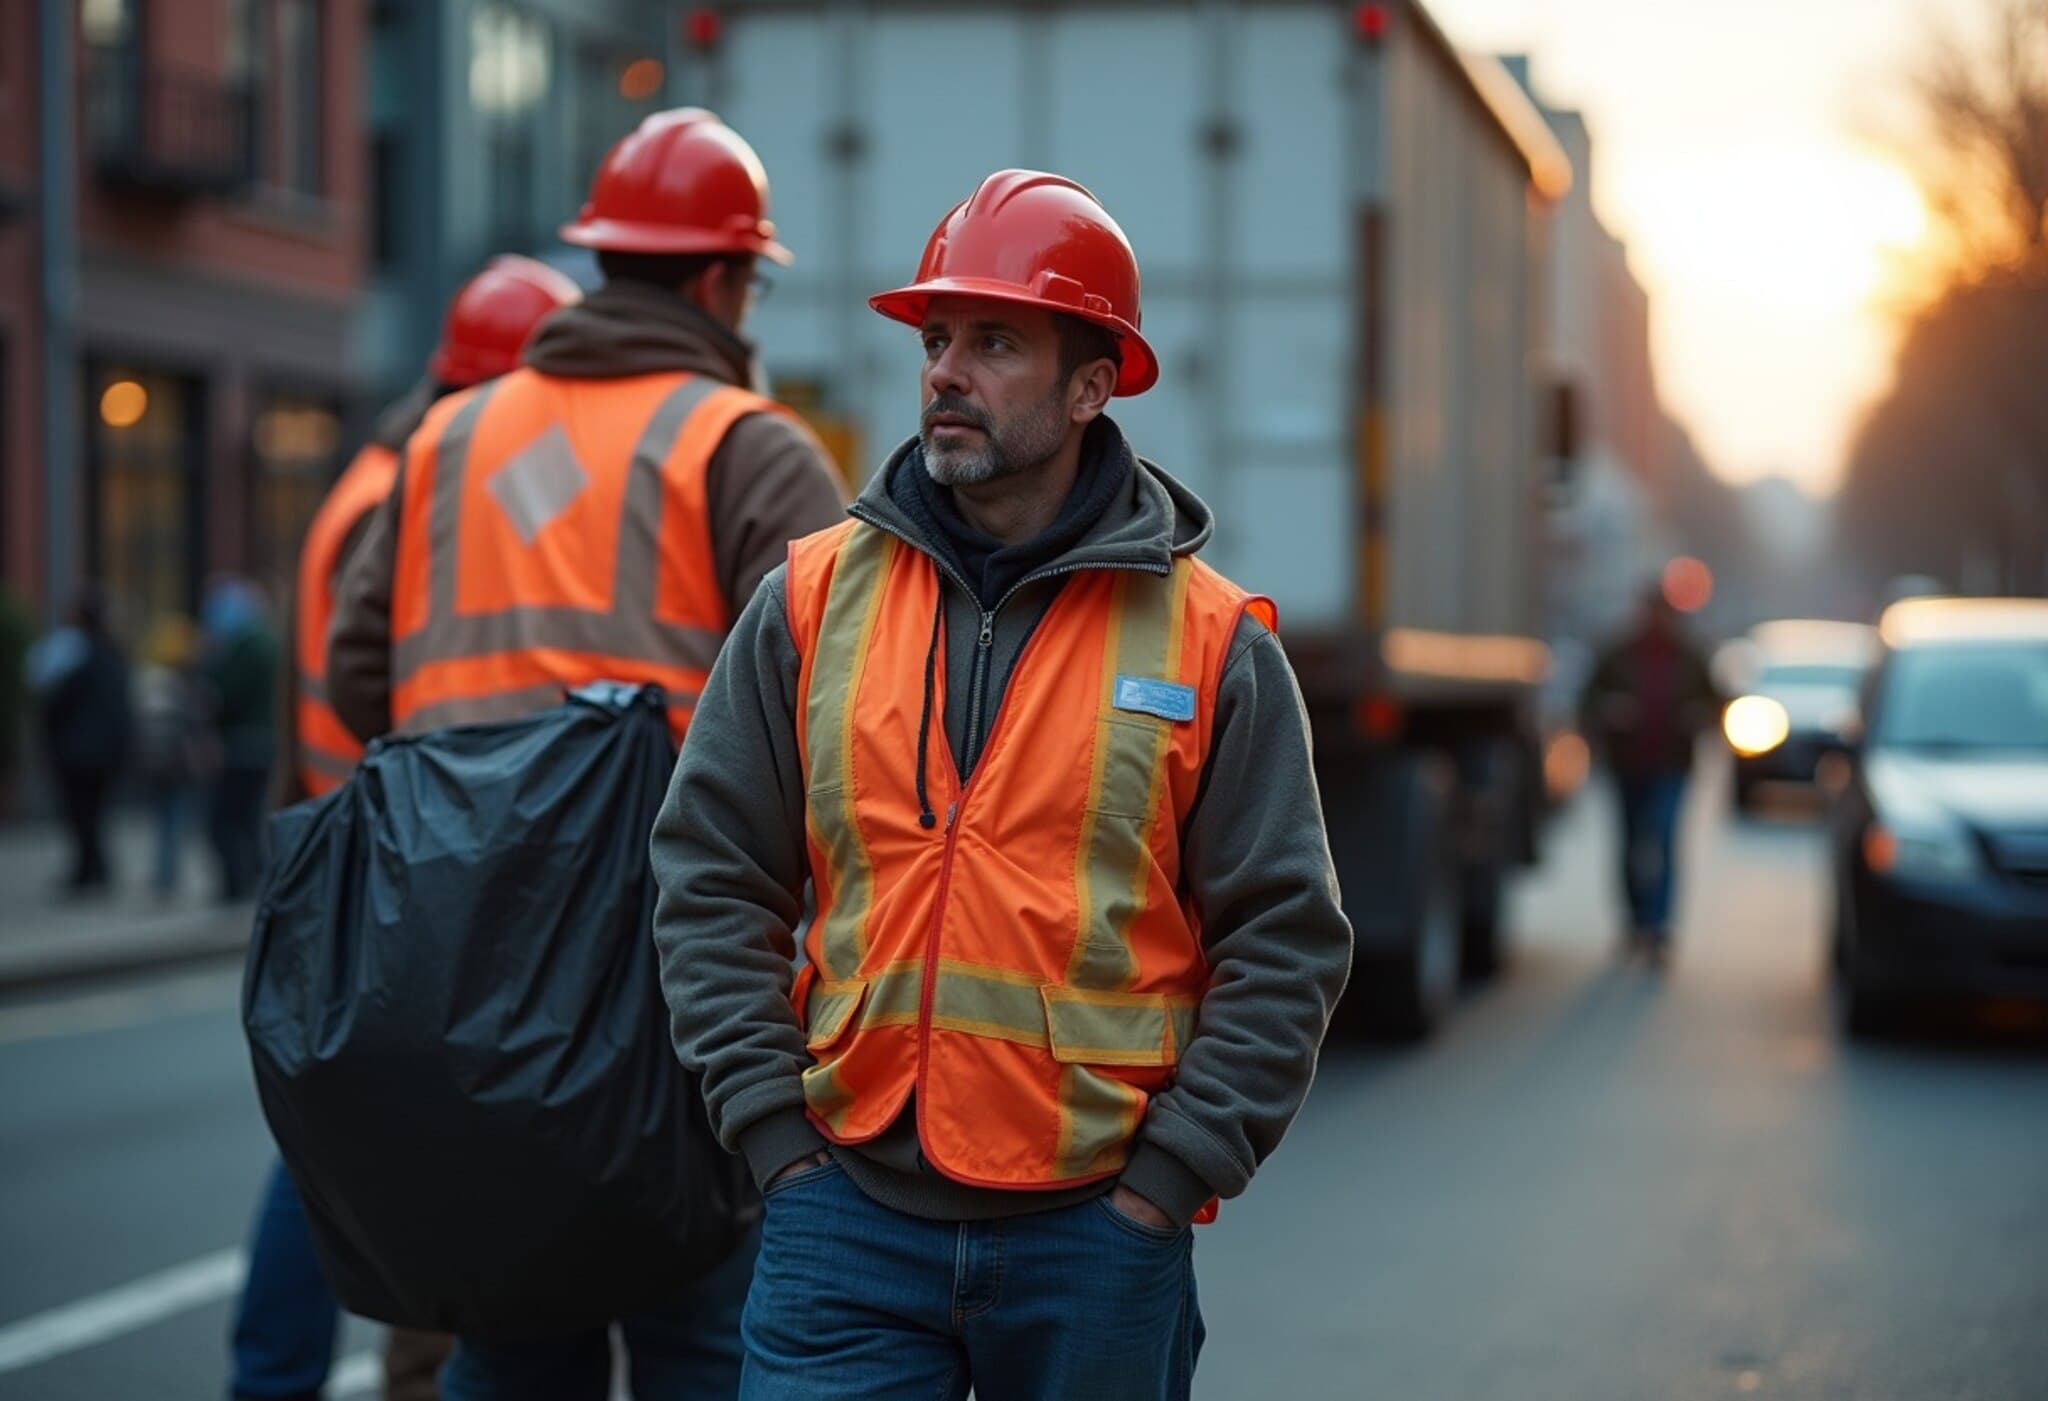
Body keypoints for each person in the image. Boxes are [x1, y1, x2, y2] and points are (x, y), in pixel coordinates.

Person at [649, 169, 1353, 1400]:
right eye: (935, 341)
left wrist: (1165, 1183)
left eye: (994, 343)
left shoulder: (1209, 642)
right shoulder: (809, 600)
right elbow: (711, 876)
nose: (945, 373)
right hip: (842, 1216)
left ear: (1091, 387)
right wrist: (772, 1138)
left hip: (1093, 1235)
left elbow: (1285, 938)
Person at [327, 107, 846, 1400]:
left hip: (459, 955)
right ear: (723, 282)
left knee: (512, 1331)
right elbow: (847, 708)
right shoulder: (742, 445)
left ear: (605, 260)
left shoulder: (446, 440)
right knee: (699, 1332)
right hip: (663, 969)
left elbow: (354, 670)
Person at [228, 255, 579, 1401]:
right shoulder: (420, 487)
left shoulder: (392, 476)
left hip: (367, 853)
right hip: (390, 867)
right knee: (364, 1165)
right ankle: (298, 1377)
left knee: (350, 1151)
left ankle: (290, 1374)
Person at [1579, 586, 1721, 960]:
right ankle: (1635, 920)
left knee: (1663, 838)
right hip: (1627, 764)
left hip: (1672, 765)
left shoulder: (1690, 657)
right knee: (1630, 844)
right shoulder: (1617, 655)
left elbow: (1715, 703)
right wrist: (1609, 712)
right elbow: (1588, 702)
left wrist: (1697, 716)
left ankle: (1659, 926)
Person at [28, 585, 132, 894]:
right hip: (104, 752)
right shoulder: (112, 654)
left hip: (79, 752)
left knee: (81, 813)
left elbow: (56, 702)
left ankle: (89, 869)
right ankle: (94, 868)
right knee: (93, 813)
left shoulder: (75, 656)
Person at [198, 577, 280, 902]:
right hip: (261, 743)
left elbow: (223, 696)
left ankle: (238, 883)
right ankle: (252, 880)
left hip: (242, 745)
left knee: (227, 820)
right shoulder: (265, 643)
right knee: (248, 819)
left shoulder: (248, 647)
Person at [133, 613, 213, 897]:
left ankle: (163, 872)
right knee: (175, 817)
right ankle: (167, 872)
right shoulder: (185, 682)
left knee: (162, 818)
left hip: (154, 760)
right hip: (179, 761)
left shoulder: (149, 679)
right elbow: (195, 721)